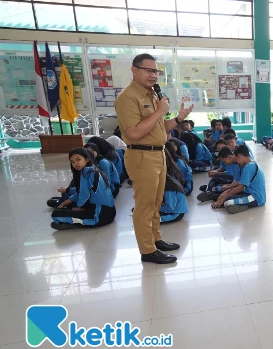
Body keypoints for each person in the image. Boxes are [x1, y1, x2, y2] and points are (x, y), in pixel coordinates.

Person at [114, 53, 193, 264]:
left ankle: (155, 239)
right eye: (148, 70)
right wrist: (159, 112)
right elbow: (134, 133)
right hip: (141, 156)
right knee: (145, 205)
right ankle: (147, 251)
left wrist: (177, 119)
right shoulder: (127, 97)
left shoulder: (152, 95)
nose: (153, 75)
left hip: (158, 153)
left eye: (156, 71)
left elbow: (158, 128)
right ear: (134, 70)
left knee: (156, 202)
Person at [51, 148, 116, 230]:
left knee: (56, 215)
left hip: (99, 216)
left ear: (87, 159)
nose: (75, 164)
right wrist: (64, 204)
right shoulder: (94, 169)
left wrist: (79, 207)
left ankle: (79, 223)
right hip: (109, 212)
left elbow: (84, 195)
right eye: (73, 162)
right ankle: (76, 220)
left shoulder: (86, 171)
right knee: (68, 204)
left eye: (78, 159)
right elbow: (79, 193)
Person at [210, 145, 266, 214]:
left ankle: (242, 205)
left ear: (240, 156)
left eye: (237, 159)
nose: (237, 162)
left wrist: (225, 197)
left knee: (227, 201)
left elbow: (240, 187)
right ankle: (235, 203)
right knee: (226, 196)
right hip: (248, 193)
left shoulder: (249, 167)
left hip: (256, 198)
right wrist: (227, 191)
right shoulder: (250, 164)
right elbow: (241, 184)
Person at [159, 147, 188, 223]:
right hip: (172, 207)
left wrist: (158, 208)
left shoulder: (168, 185)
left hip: (176, 214)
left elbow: (170, 208)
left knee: (149, 219)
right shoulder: (167, 177)